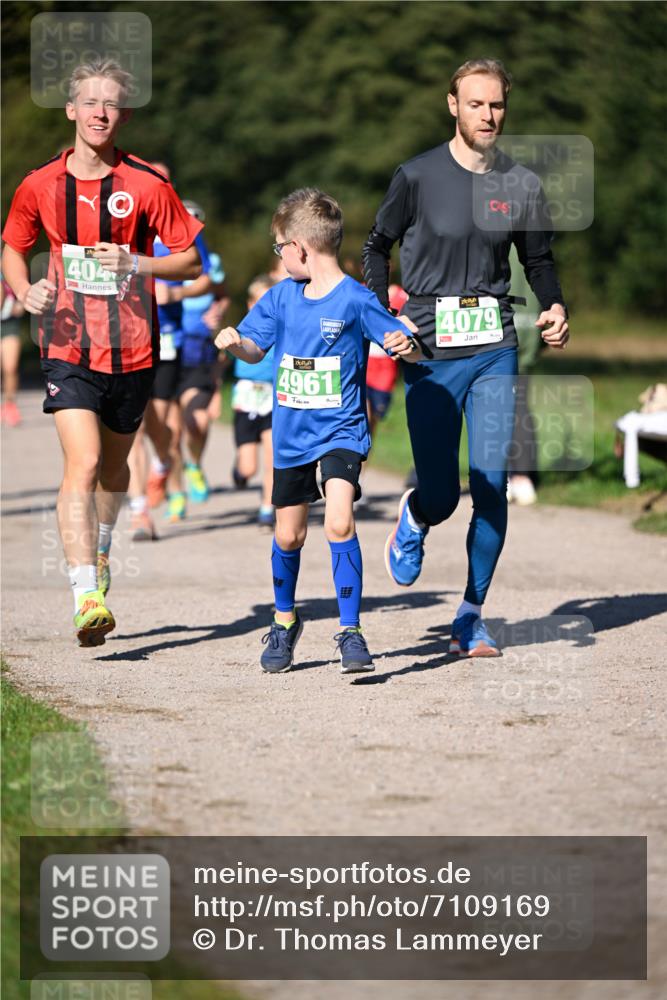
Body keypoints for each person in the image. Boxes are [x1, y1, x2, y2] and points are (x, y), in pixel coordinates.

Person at [362, 58, 569, 657]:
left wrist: (553, 306)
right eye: (476, 103)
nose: (488, 114)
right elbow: (376, 247)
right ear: (452, 105)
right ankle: (418, 516)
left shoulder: (522, 184)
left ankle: (470, 614)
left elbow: (538, 262)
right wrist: (384, 316)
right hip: (427, 347)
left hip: (494, 344)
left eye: (497, 104)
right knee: (443, 494)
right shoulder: (417, 175)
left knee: (492, 482)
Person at [1, 59, 203, 645]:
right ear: (70, 110)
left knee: (113, 471)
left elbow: (188, 258)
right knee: (83, 464)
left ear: (124, 114)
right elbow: (13, 247)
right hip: (66, 342)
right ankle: (85, 593)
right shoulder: (40, 184)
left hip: (134, 348)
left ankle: (104, 550)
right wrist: (23, 288)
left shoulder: (146, 183)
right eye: (89, 102)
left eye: (110, 104)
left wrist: (137, 262)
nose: (98, 112)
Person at [215, 188, 419, 674]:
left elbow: (400, 342)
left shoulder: (355, 298)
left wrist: (404, 343)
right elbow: (253, 347)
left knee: (339, 522)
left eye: (280, 247)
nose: (279, 256)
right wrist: (234, 342)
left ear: (300, 248)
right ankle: (284, 622)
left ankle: (350, 630)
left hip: (341, 432)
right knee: (289, 536)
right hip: (291, 439)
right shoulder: (280, 297)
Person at [230, 274, 276, 527]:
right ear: (250, 304)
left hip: (273, 397)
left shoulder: (283, 328)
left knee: (272, 456)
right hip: (247, 398)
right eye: (258, 303)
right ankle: (239, 472)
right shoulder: (242, 329)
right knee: (249, 468)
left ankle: (266, 509)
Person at [0, 279, 25, 426]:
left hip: (9, 324)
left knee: (10, 367)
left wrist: (21, 305)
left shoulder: (10, 269)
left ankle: (10, 405)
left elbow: (24, 294)